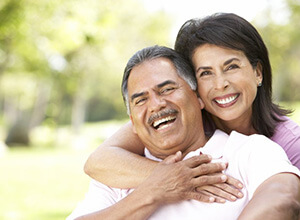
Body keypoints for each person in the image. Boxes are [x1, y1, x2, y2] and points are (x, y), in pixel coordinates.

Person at [83, 13, 300, 201]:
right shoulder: (182, 117)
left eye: (231, 66)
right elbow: (99, 162)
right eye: (205, 73)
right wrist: (179, 177)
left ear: (258, 72)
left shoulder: (289, 143)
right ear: (192, 86)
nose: (220, 83)